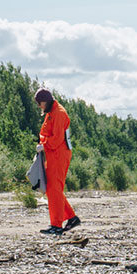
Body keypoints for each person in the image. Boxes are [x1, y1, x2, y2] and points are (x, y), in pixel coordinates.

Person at [34, 88, 80, 235]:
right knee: (52, 188)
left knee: (54, 188)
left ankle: (57, 226)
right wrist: (44, 147)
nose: (39, 106)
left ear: (45, 101)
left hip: (59, 154)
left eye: (40, 103)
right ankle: (71, 218)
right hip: (53, 153)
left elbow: (57, 139)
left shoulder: (58, 113)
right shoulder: (52, 112)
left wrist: (44, 146)